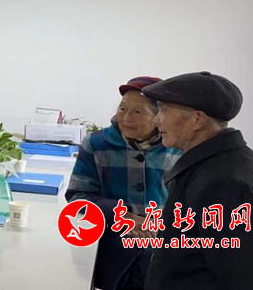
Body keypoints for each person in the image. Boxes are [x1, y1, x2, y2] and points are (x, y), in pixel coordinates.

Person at [142, 71, 253, 290]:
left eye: (163, 110)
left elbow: (250, 279)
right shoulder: (228, 163)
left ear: (197, 119)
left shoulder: (225, 183)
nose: (156, 120)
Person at [66, 76, 182, 290]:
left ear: (158, 116)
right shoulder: (97, 143)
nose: (127, 118)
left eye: (138, 111)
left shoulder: (177, 148)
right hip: (110, 253)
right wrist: (121, 216)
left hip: (162, 257)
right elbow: (77, 197)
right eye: (122, 109)